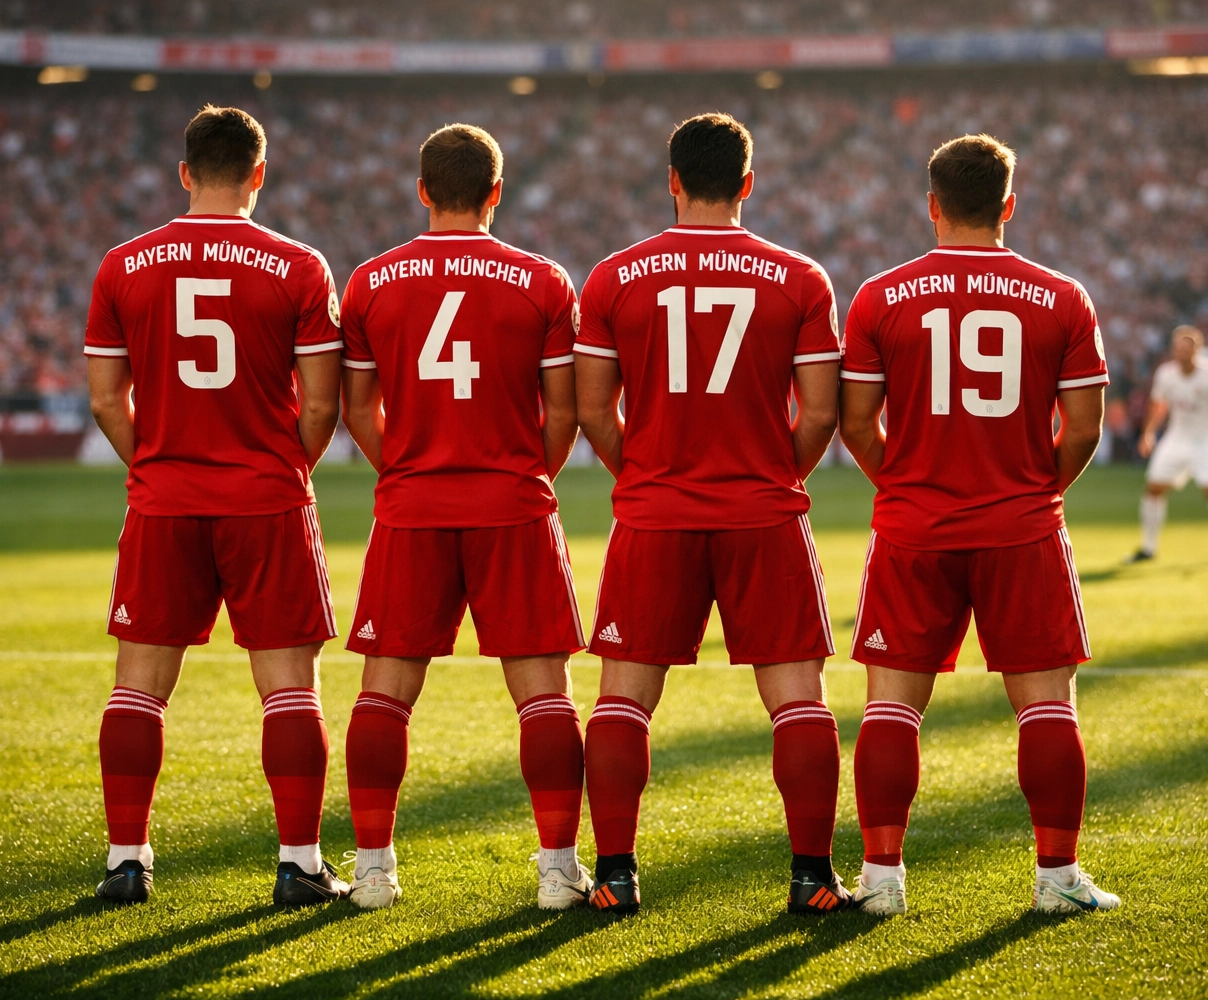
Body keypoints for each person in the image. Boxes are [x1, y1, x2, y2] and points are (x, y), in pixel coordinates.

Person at [838, 133, 1120, 916]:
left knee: (893, 707)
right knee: (1047, 706)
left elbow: (856, 424)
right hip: (1021, 529)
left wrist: (904, 479)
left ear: (932, 205)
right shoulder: (1063, 296)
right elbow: (1087, 427)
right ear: (1008, 205)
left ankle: (883, 881)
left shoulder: (878, 295)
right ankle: (1058, 879)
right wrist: (1037, 487)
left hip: (913, 528)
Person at [575, 113, 845, 915]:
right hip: (764, 512)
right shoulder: (799, 277)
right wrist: (771, 473)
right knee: (797, 699)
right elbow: (823, 414)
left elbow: (594, 413)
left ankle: (615, 877)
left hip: (655, 511)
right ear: (748, 183)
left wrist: (648, 473)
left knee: (624, 696)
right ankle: (812, 880)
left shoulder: (616, 276)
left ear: (673, 181)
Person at [84, 105, 347, 906]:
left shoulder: (123, 264)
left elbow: (105, 401)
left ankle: (126, 862)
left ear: (185, 172)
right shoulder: (299, 266)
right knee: (290, 689)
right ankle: (299, 864)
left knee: (138, 687)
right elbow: (322, 407)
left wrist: (159, 462)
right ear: (259, 175)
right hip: (265, 497)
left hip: (166, 499)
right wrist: (279, 468)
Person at [339, 124, 588, 911]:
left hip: (413, 504)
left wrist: (406, 468)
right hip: (512, 503)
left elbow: (355, 408)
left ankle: (374, 872)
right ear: (495, 193)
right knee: (543, 693)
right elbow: (564, 413)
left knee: (384, 691)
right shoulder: (543, 280)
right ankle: (557, 873)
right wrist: (524, 473)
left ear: (422, 191)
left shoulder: (373, 280)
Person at [1126, 325, 1208, 566]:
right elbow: (1158, 406)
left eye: (1186, 350)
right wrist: (1148, 434)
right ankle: (1148, 548)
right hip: (1177, 438)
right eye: (1177, 350)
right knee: (1153, 489)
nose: (1181, 354)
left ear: (1197, 351)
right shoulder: (1166, 374)